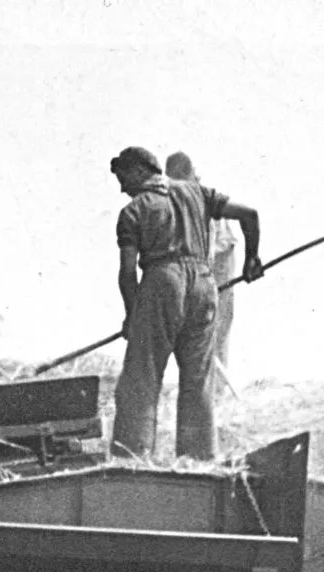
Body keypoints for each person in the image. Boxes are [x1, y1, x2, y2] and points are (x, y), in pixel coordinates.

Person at [108, 145, 262, 461]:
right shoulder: (198, 193)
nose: (122, 188)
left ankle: (132, 459)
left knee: (141, 378)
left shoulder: (133, 211)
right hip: (205, 287)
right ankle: (199, 462)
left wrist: (131, 316)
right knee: (198, 381)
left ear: (139, 171)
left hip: (163, 281)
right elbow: (250, 215)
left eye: (123, 178)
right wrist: (252, 259)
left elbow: (127, 273)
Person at [165, 151, 239, 381]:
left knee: (215, 326)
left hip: (221, 261)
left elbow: (207, 248)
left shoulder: (200, 199)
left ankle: (216, 390)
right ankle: (206, 384)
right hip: (206, 262)